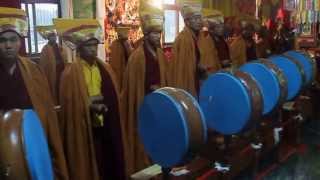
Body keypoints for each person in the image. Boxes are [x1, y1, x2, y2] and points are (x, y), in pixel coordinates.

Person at [0, 7, 68, 179]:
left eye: (13, 40)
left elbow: (45, 110)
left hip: (32, 138)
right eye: (2, 40)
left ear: (20, 42)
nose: (8, 45)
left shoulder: (33, 70)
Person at [55, 18, 126, 180]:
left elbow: (112, 95)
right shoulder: (70, 73)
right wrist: (88, 105)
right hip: (85, 126)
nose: (93, 50)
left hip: (105, 123)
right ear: (79, 48)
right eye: (89, 46)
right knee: (89, 160)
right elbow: (70, 106)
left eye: (95, 45)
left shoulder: (105, 68)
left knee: (108, 161)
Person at [121, 0, 169, 175]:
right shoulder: (137, 58)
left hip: (159, 107)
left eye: (160, 33)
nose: (158, 37)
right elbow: (133, 89)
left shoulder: (160, 54)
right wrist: (149, 90)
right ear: (147, 34)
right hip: (144, 107)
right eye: (154, 33)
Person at [171, 0, 204, 96]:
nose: (199, 21)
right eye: (195, 19)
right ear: (187, 22)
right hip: (186, 82)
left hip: (195, 79)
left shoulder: (194, 37)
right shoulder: (184, 40)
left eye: (199, 18)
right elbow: (183, 69)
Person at [37, 25, 66, 104]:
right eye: (51, 36)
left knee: (62, 89)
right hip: (51, 74)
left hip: (61, 72)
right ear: (48, 38)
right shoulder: (45, 49)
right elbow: (43, 64)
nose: (54, 38)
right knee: (53, 89)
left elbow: (64, 58)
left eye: (54, 36)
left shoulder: (59, 47)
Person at [199, 8, 230, 75]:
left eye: (222, 26)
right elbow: (209, 61)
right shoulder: (206, 40)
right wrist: (220, 62)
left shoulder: (221, 39)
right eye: (218, 27)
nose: (222, 29)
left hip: (223, 71)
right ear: (211, 29)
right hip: (213, 73)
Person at [109, 25, 134, 90]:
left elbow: (131, 55)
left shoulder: (126, 43)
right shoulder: (115, 44)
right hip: (118, 70)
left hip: (125, 69)